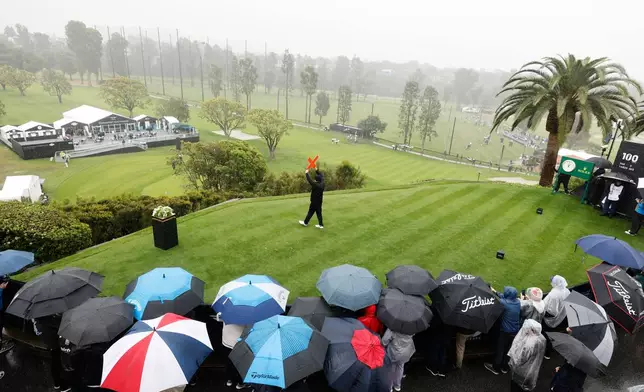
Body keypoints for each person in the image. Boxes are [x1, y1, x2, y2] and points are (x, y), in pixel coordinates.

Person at [485, 286, 521, 375]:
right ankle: (504, 367)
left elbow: (501, 300)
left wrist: (491, 292)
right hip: (515, 331)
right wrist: (495, 291)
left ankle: (496, 368)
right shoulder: (517, 302)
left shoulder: (503, 303)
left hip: (505, 331)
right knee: (508, 350)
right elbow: (504, 297)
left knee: (500, 349)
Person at [507, 319, 546, 391]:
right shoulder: (541, 338)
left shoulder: (529, 342)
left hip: (521, 371)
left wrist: (512, 359)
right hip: (532, 370)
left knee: (517, 387)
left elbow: (520, 359)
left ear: (531, 329)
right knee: (525, 387)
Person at [216, 315, 250, 390]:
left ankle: (229, 379)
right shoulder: (247, 312)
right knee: (240, 364)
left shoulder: (225, 308)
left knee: (229, 361)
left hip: (226, 340)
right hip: (239, 342)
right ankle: (240, 383)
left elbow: (218, 318)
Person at [542, 276, 570, 359]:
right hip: (562, 317)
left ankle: (547, 352)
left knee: (547, 335)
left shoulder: (553, 294)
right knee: (555, 333)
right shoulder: (566, 290)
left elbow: (551, 311)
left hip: (552, 319)